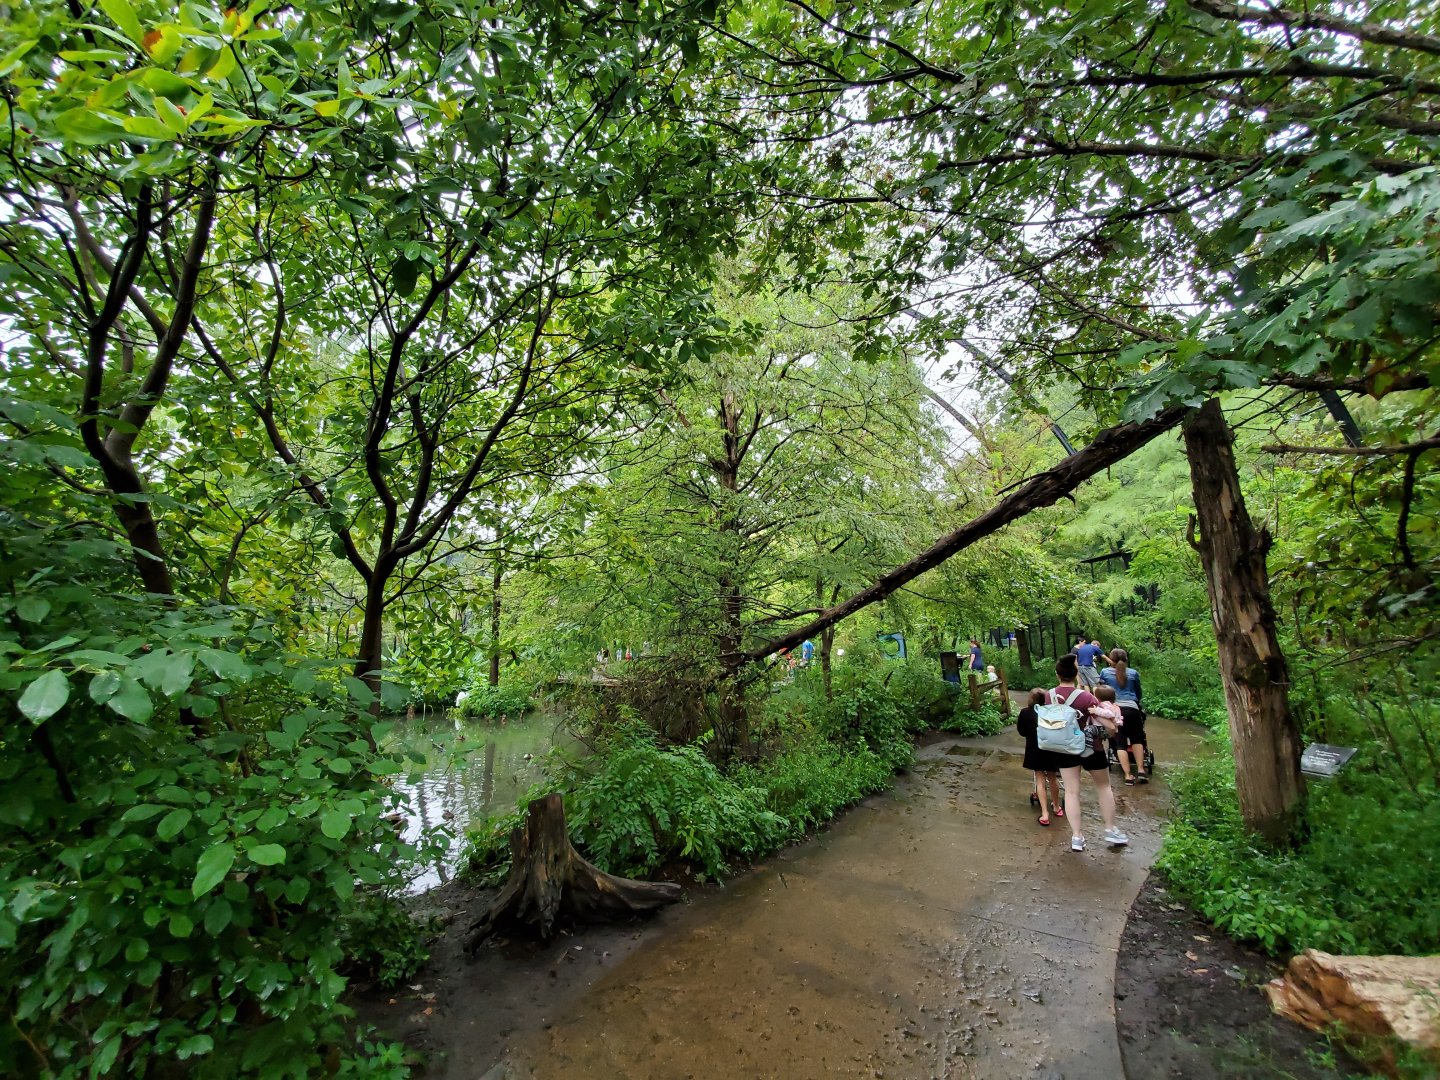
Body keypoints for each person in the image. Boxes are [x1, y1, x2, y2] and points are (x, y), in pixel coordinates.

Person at [1048, 653, 1128, 851]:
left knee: (1072, 791)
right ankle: (1110, 829)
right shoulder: (1087, 697)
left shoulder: (1048, 695)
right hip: (1092, 748)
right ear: (1076, 675)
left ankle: (1076, 837)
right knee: (1103, 787)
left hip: (1064, 748)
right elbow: (1110, 726)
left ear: (1058, 674)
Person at [1100, 647, 1149, 785]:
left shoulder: (1104, 672)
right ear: (1126, 659)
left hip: (1116, 710)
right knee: (1137, 739)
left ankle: (1127, 775)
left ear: (1111, 659)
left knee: (1120, 742)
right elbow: (1138, 693)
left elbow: (1101, 692)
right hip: (1132, 709)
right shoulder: (1133, 673)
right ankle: (1140, 770)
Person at [1017, 688, 1064, 826]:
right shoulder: (1053, 712)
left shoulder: (1025, 712)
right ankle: (1056, 806)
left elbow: (1021, 731)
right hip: (1051, 748)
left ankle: (1044, 814)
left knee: (1040, 779)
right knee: (1053, 778)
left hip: (1034, 749)